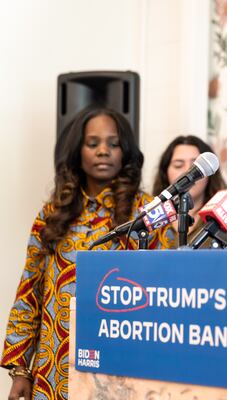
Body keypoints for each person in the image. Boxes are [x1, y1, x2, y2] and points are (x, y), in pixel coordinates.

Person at [1, 107, 175, 400]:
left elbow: (169, 292)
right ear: (78, 152)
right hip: (55, 371)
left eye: (113, 143)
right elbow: (30, 290)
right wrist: (21, 369)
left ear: (125, 152)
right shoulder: (52, 214)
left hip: (122, 372)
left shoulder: (148, 213)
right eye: (93, 143)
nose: (103, 151)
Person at [152, 135, 227, 248]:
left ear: (209, 174)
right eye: (178, 165)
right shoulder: (152, 215)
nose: (187, 172)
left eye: (196, 167)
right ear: (165, 173)